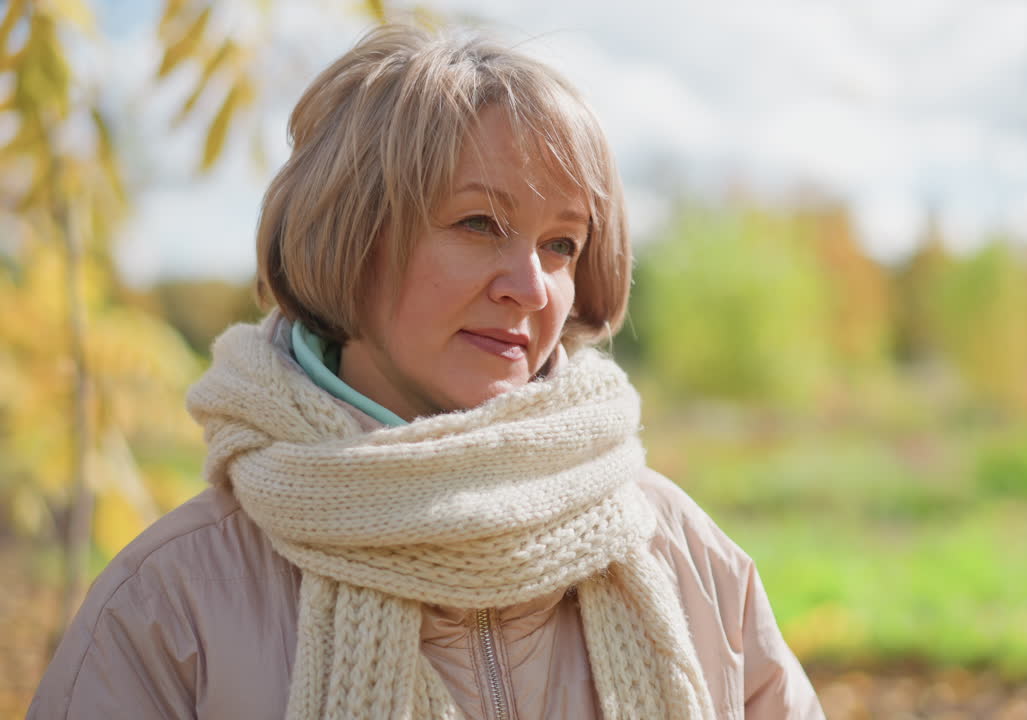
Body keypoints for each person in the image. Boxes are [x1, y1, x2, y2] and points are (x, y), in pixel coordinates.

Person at [28, 24, 824, 720]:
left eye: (562, 244)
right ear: (348, 236)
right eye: (480, 223)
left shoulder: (684, 556)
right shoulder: (172, 604)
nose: (531, 284)